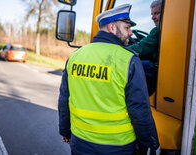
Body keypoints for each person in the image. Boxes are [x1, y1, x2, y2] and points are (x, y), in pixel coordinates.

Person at [58, 4, 160, 155]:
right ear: (112, 28)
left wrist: (65, 131)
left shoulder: (75, 56)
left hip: (80, 143)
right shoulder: (129, 60)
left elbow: (64, 100)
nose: (130, 33)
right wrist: (151, 144)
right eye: (127, 28)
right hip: (118, 147)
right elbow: (139, 111)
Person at [127, 0, 162, 95]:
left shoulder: (158, 30)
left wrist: (122, 50)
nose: (153, 17)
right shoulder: (161, 29)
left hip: (158, 69)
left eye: (157, 13)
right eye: (152, 14)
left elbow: (141, 48)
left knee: (132, 65)